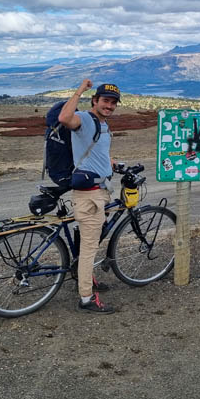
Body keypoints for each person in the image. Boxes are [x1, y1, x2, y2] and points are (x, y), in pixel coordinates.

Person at [58, 79, 121, 314]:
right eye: (105, 101)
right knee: (89, 250)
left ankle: (88, 280)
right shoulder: (85, 119)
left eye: (113, 102)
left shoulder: (102, 125)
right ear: (95, 100)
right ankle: (86, 298)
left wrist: (111, 163)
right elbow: (64, 119)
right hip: (90, 197)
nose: (110, 106)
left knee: (89, 243)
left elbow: (96, 152)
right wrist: (80, 90)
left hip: (99, 192)